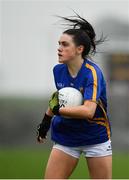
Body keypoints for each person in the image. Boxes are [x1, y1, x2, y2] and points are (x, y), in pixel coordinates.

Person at [37, 13, 112, 179]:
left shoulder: (92, 73)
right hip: (67, 135)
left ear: (80, 49)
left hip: (95, 136)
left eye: (64, 44)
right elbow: (60, 99)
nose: (59, 48)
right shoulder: (58, 70)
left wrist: (58, 111)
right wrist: (45, 121)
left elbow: (88, 111)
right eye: (59, 44)